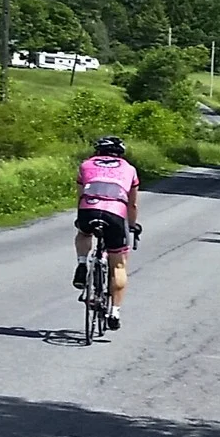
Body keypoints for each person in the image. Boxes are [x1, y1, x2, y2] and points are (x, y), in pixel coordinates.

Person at [73, 136, 141, 330]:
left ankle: (82, 263)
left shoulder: (85, 165)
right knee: (118, 264)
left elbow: (80, 196)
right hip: (115, 214)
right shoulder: (129, 169)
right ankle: (115, 312)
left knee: (84, 233)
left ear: (98, 151)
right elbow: (132, 204)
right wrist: (132, 225)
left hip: (89, 209)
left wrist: (81, 217)